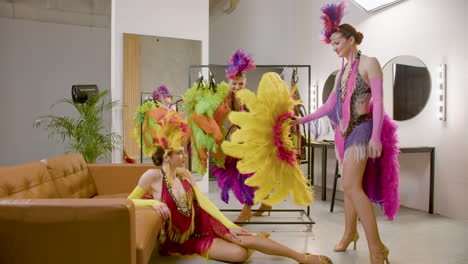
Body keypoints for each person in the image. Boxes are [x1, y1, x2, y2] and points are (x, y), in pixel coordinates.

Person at [292, 2, 399, 264]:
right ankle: (350, 233)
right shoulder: (342, 71)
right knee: (351, 186)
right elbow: (330, 106)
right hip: (343, 133)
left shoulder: (370, 63)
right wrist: (300, 119)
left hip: (362, 129)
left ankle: (377, 248)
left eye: (338, 42)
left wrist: (375, 136)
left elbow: (381, 103)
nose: (334, 47)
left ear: (351, 40)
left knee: (351, 186)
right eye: (331, 44)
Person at [128, 145, 332, 264]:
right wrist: (154, 202)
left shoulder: (186, 175)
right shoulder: (151, 177)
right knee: (239, 254)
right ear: (166, 156)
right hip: (182, 238)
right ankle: (257, 239)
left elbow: (205, 203)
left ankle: (303, 258)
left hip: (202, 222)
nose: (185, 155)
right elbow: (128, 202)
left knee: (241, 238)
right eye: (180, 152)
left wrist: (229, 227)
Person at [211, 49, 272, 223]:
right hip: (234, 143)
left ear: (245, 82)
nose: (237, 87)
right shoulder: (225, 98)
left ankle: (247, 209)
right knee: (236, 173)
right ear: (228, 82)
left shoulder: (250, 98)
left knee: (248, 175)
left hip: (251, 142)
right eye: (234, 84)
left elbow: (260, 119)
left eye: (240, 84)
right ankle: (266, 201)